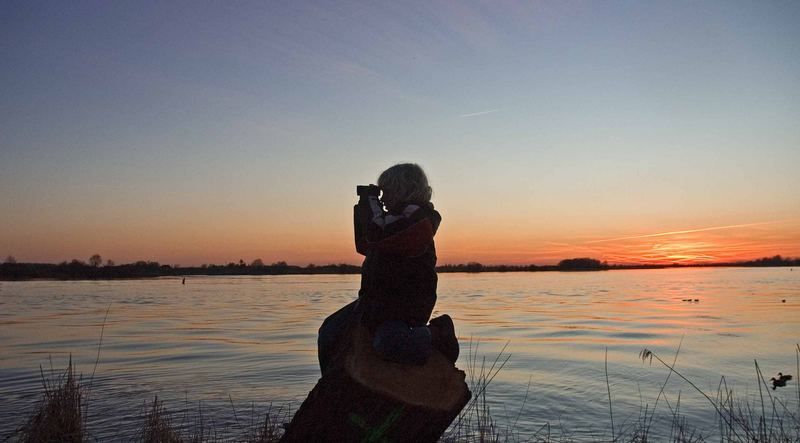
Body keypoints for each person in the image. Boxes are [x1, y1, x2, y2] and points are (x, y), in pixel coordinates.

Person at [317, 163, 459, 373]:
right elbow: (365, 244)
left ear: (404, 189)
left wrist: (370, 202)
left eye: (386, 191)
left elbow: (378, 233)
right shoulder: (389, 221)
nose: (382, 199)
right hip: (375, 302)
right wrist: (363, 206)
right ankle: (331, 387)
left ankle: (437, 333)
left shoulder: (419, 219)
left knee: (388, 343)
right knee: (330, 332)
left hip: (404, 306)